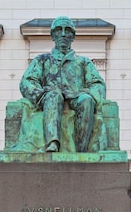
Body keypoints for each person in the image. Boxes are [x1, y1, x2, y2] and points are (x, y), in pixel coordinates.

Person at [19, 16, 106, 152]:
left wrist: (84, 92)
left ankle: (81, 150)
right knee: (54, 96)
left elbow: (98, 85)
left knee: (86, 100)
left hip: (77, 97)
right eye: (59, 30)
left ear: (73, 36)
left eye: (68, 31)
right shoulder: (42, 60)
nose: (64, 34)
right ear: (53, 35)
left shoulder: (84, 62)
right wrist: (42, 94)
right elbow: (27, 82)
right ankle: (53, 143)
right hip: (50, 98)